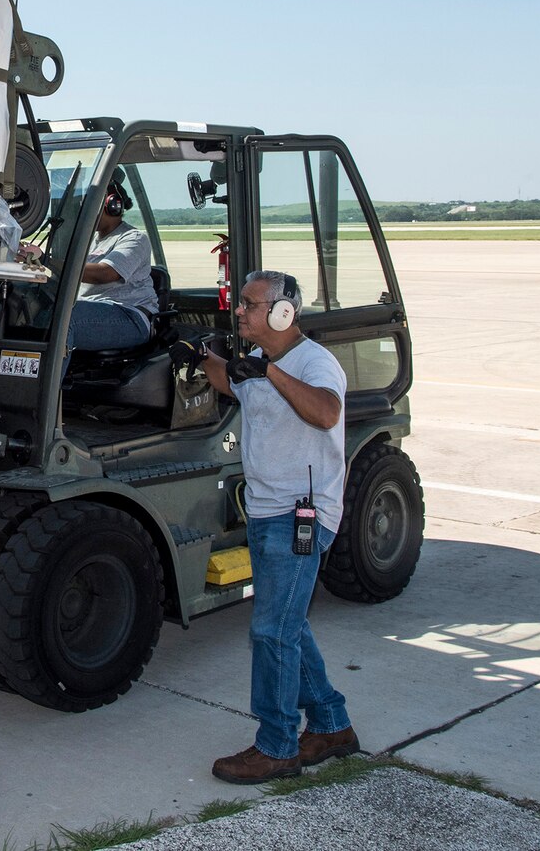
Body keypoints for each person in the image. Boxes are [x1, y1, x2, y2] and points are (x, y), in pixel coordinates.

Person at [203, 269, 359, 783]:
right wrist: (201, 359)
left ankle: (276, 746)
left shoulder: (314, 363)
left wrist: (269, 373)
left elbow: (326, 412)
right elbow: (234, 383)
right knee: (289, 626)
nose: (240, 312)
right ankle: (333, 726)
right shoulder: (263, 364)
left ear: (282, 313)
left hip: (300, 516)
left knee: (272, 632)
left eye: (249, 305)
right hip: (269, 511)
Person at [18, 172, 156, 351]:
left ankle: (50, 379)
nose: (83, 209)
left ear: (113, 205)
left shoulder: (134, 238)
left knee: (66, 319)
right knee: (32, 313)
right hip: (89, 308)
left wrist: (46, 260)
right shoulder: (89, 241)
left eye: (89, 204)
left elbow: (105, 273)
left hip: (130, 315)